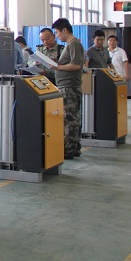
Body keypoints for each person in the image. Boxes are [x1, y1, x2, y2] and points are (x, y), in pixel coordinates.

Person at [51, 18, 85, 159]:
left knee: (69, 119)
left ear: (65, 30)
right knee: (73, 118)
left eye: (57, 32)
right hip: (67, 86)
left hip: (69, 87)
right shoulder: (71, 44)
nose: (57, 36)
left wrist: (58, 67)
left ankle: (69, 149)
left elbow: (76, 65)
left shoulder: (74, 44)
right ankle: (75, 147)